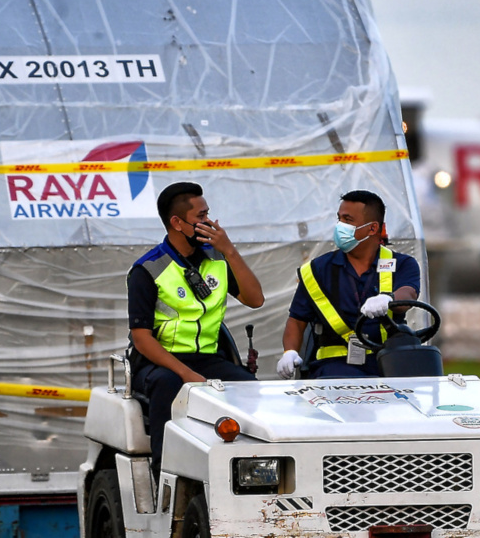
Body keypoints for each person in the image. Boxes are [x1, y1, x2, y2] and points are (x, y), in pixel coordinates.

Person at [128, 182, 264, 476]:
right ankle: (164, 473)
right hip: (160, 361)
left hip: (208, 357)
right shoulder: (148, 269)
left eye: (209, 215)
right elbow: (141, 339)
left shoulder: (217, 258)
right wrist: (185, 374)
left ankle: (252, 470)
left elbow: (255, 299)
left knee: (249, 388)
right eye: (201, 217)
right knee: (168, 385)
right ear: (177, 222)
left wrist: (230, 250)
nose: (210, 223)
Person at [277, 190, 420, 379]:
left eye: (348, 219)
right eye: (339, 218)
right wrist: (290, 352)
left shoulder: (402, 264)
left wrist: (389, 299)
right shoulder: (316, 270)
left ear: (372, 228)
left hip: (390, 362)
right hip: (333, 367)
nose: (339, 226)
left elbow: (408, 296)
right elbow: (296, 320)